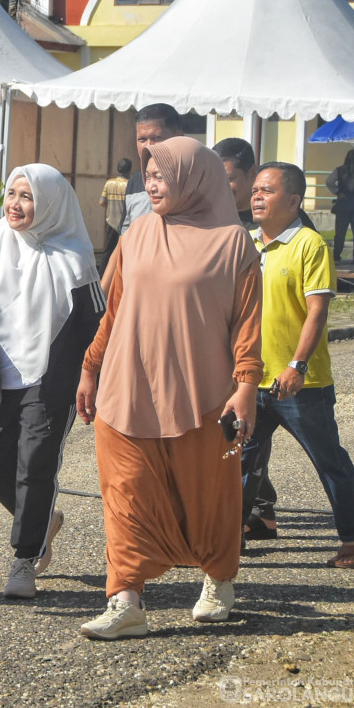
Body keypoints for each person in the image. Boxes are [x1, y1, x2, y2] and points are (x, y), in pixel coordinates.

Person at [76, 137, 262, 640]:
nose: (153, 185)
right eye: (149, 176)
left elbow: (247, 323)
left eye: (163, 176)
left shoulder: (233, 243)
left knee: (210, 495)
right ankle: (126, 599)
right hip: (126, 388)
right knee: (125, 493)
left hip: (204, 395)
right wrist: (91, 366)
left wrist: (246, 385)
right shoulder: (136, 234)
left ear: (194, 177)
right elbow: (115, 310)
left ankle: (219, 579)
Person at [0, 164, 105, 600]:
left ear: (50, 203)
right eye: (12, 194)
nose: (15, 204)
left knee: (35, 467)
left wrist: (95, 378)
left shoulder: (75, 258)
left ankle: (25, 558)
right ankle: (43, 520)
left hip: (53, 382)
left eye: (27, 197)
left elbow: (98, 325)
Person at [242, 162, 354, 569]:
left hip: (301, 383)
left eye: (267, 190)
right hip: (253, 380)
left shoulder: (309, 245)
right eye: (255, 190)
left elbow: (317, 313)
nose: (257, 197)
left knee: (328, 460)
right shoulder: (247, 243)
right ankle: (225, 539)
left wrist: (297, 365)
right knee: (239, 461)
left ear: (294, 201)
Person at [213, 137, 277, 541]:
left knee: (246, 441)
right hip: (223, 349)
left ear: (252, 174)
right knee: (243, 442)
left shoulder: (268, 223)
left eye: (231, 180)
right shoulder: (214, 218)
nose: (224, 188)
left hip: (260, 356)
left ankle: (231, 523)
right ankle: (259, 511)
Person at [117, 103, 183, 236]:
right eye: (142, 140)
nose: (148, 146)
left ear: (179, 137)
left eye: (157, 138)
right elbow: (125, 231)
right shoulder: (134, 182)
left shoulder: (191, 180)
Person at [99, 158, 131, 270]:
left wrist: (110, 210)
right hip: (125, 225)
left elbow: (102, 202)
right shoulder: (129, 184)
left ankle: (102, 274)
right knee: (125, 251)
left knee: (107, 250)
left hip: (110, 222)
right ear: (129, 170)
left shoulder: (109, 183)